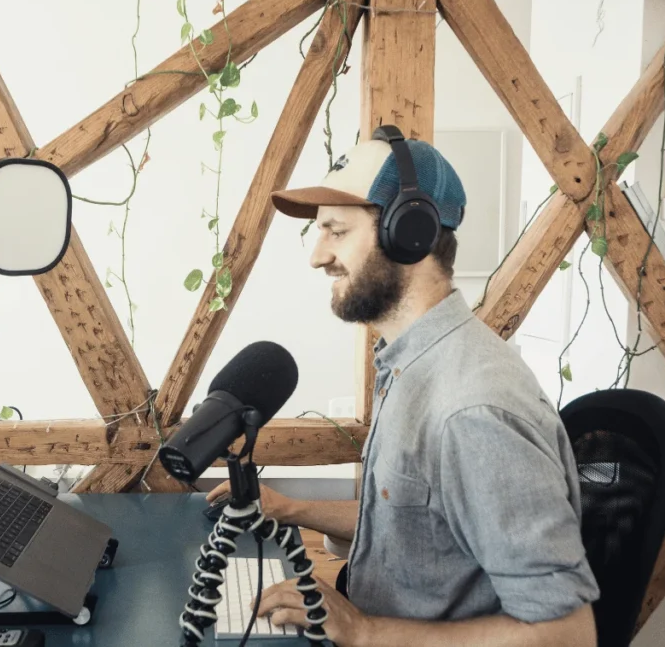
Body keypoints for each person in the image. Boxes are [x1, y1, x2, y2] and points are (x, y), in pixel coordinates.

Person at [205, 129, 600, 646]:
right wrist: (293, 509)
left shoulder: (471, 409)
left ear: (409, 232)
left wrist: (364, 631)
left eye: (336, 231)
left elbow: (567, 635)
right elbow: (416, 525)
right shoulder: (414, 364)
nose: (318, 256)